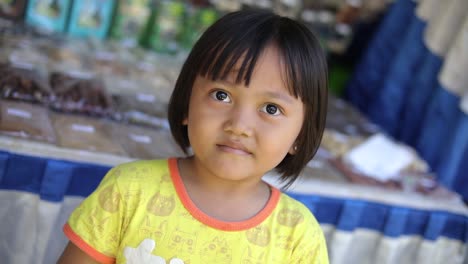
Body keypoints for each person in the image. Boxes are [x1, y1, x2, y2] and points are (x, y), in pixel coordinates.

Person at [58, 8, 329, 264]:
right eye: (221, 95)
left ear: (300, 135)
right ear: (187, 102)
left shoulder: (298, 236)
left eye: (272, 109)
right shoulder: (128, 190)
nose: (239, 125)